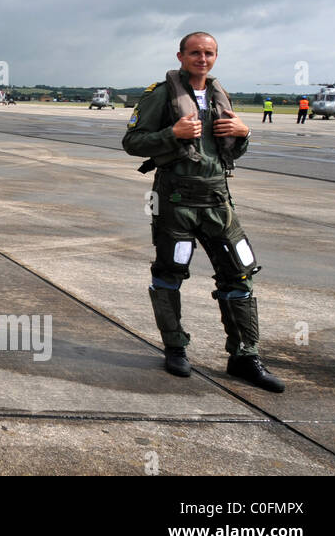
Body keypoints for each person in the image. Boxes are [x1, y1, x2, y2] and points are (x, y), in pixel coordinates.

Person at [122, 32, 284, 392]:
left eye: (209, 53)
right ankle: (175, 348)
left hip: (218, 201)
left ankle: (245, 356)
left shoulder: (218, 96)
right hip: (175, 201)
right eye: (195, 52)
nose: (202, 58)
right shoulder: (161, 95)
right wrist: (172, 133)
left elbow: (229, 153)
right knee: (170, 272)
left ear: (215, 57)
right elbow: (132, 142)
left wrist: (244, 133)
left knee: (239, 274)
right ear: (180, 56)